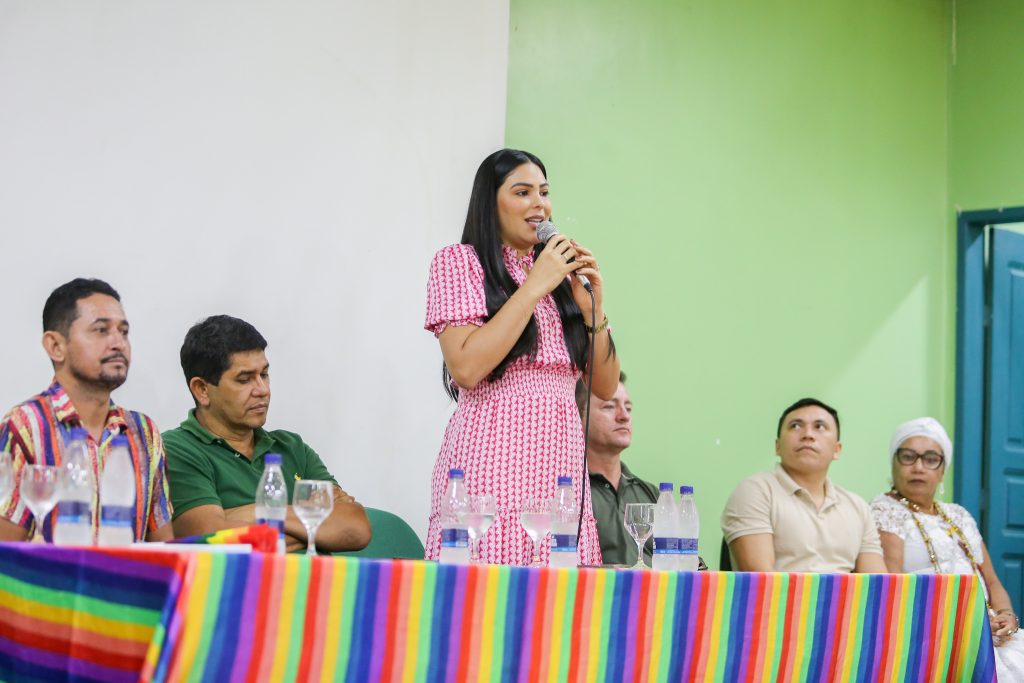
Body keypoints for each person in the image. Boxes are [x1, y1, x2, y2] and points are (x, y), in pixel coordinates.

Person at [423, 148, 620, 565]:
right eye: (523, 192)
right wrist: (533, 286)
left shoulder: (562, 278)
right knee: (484, 610)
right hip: (490, 465)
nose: (540, 204)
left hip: (561, 467)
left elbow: (603, 386)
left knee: (559, 616)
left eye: (544, 192)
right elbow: (467, 368)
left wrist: (592, 310)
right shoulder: (460, 263)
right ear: (490, 202)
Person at [163, 315, 370, 553]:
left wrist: (258, 513)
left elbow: (356, 527)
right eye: (244, 380)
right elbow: (212, 539)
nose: (262, 390)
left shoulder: (292, 447)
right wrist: (312, 529)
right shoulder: (177, 449)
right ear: (202, 389)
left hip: (318, 587)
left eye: (264, 375)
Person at [0, 278, 173, 542]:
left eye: (124, 332)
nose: (118, 343)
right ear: (56, 346)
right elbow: (7, 554)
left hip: (123, 582)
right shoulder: (26, 426)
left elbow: (162, 548)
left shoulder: (144, 432)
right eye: (101, 330)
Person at [871, 417, 1023, 678]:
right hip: (929, 630)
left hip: (985, 626)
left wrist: (1007, 617)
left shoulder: (958, 514)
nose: (918, 467)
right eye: (908, 456)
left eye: (931, 459)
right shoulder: (885, 509)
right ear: (894, 463)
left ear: (942, 470)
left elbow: (993, 582)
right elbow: (891, 586)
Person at [720, 397, 886, 573]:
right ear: (777, 446)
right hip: (779, 600)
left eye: (820, 427)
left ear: (837, 450)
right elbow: (761, 581)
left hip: (846, 601)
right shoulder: (755, 491)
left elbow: (878, 588)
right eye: (795, 426)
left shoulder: (857, 507)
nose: (808, 434)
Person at [577, 372, 659, 566]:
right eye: (609, 406)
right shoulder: (571, 494)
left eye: (628, 408)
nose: (624, 416)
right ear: (577, 416)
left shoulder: (650, 493)